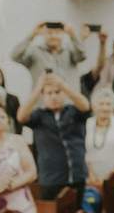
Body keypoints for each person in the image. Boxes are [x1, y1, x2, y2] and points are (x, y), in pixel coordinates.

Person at [17, 73, 91, 206]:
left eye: (58, 92)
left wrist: (64, 85)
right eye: (49, 93)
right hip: (50, 180)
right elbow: (21, 117)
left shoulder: (74, 111)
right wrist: (38, 88)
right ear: (43, 96)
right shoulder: (39, 116)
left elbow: (86, 106)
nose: (54, 96)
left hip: (76, 177)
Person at [10, 21, 88, 103]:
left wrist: (73, 36)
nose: (53, 36)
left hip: (70, 105)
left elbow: (82, 56)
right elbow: (15, 56)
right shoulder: (35, 51)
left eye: (57, 32)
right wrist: (31, 36)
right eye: (49, 32)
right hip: (42, 107)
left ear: (63, 34)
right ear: (42, 34)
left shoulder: (70, 50)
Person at [85, 88, 114, 192]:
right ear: (94, 106)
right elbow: (83, 150)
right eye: (101, 104)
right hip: (92, 179)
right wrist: (91, 173)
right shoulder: (87, 124)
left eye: (108, 104)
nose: (104, 108)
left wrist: (109, 177)